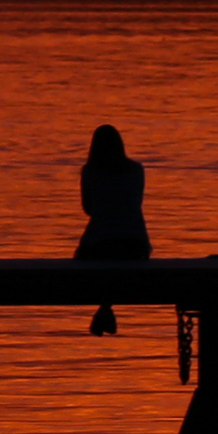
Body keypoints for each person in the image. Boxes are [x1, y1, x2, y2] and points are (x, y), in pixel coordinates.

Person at [77, 125, 149, 335]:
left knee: (88, 259)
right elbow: (136, 202)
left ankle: (105, 308)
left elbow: (88, 208)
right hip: (136, 244)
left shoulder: (90, 171)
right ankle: (105, 309)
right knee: (116, 257)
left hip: (100, 242)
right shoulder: (136, 170)